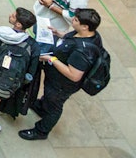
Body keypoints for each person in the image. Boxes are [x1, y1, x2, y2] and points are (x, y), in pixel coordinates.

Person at [19, 7, 103, 141]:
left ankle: (41, 131)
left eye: (75, 20)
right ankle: (41, 107)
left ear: (85, 26)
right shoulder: (90, 34)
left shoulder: (82, 52)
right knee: (48, 97)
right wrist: (58, 33)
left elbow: (74, 75)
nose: (72, 21)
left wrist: (51, 59)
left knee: (55, 106)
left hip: (61, 85)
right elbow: (72, 39)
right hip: (55, 77)